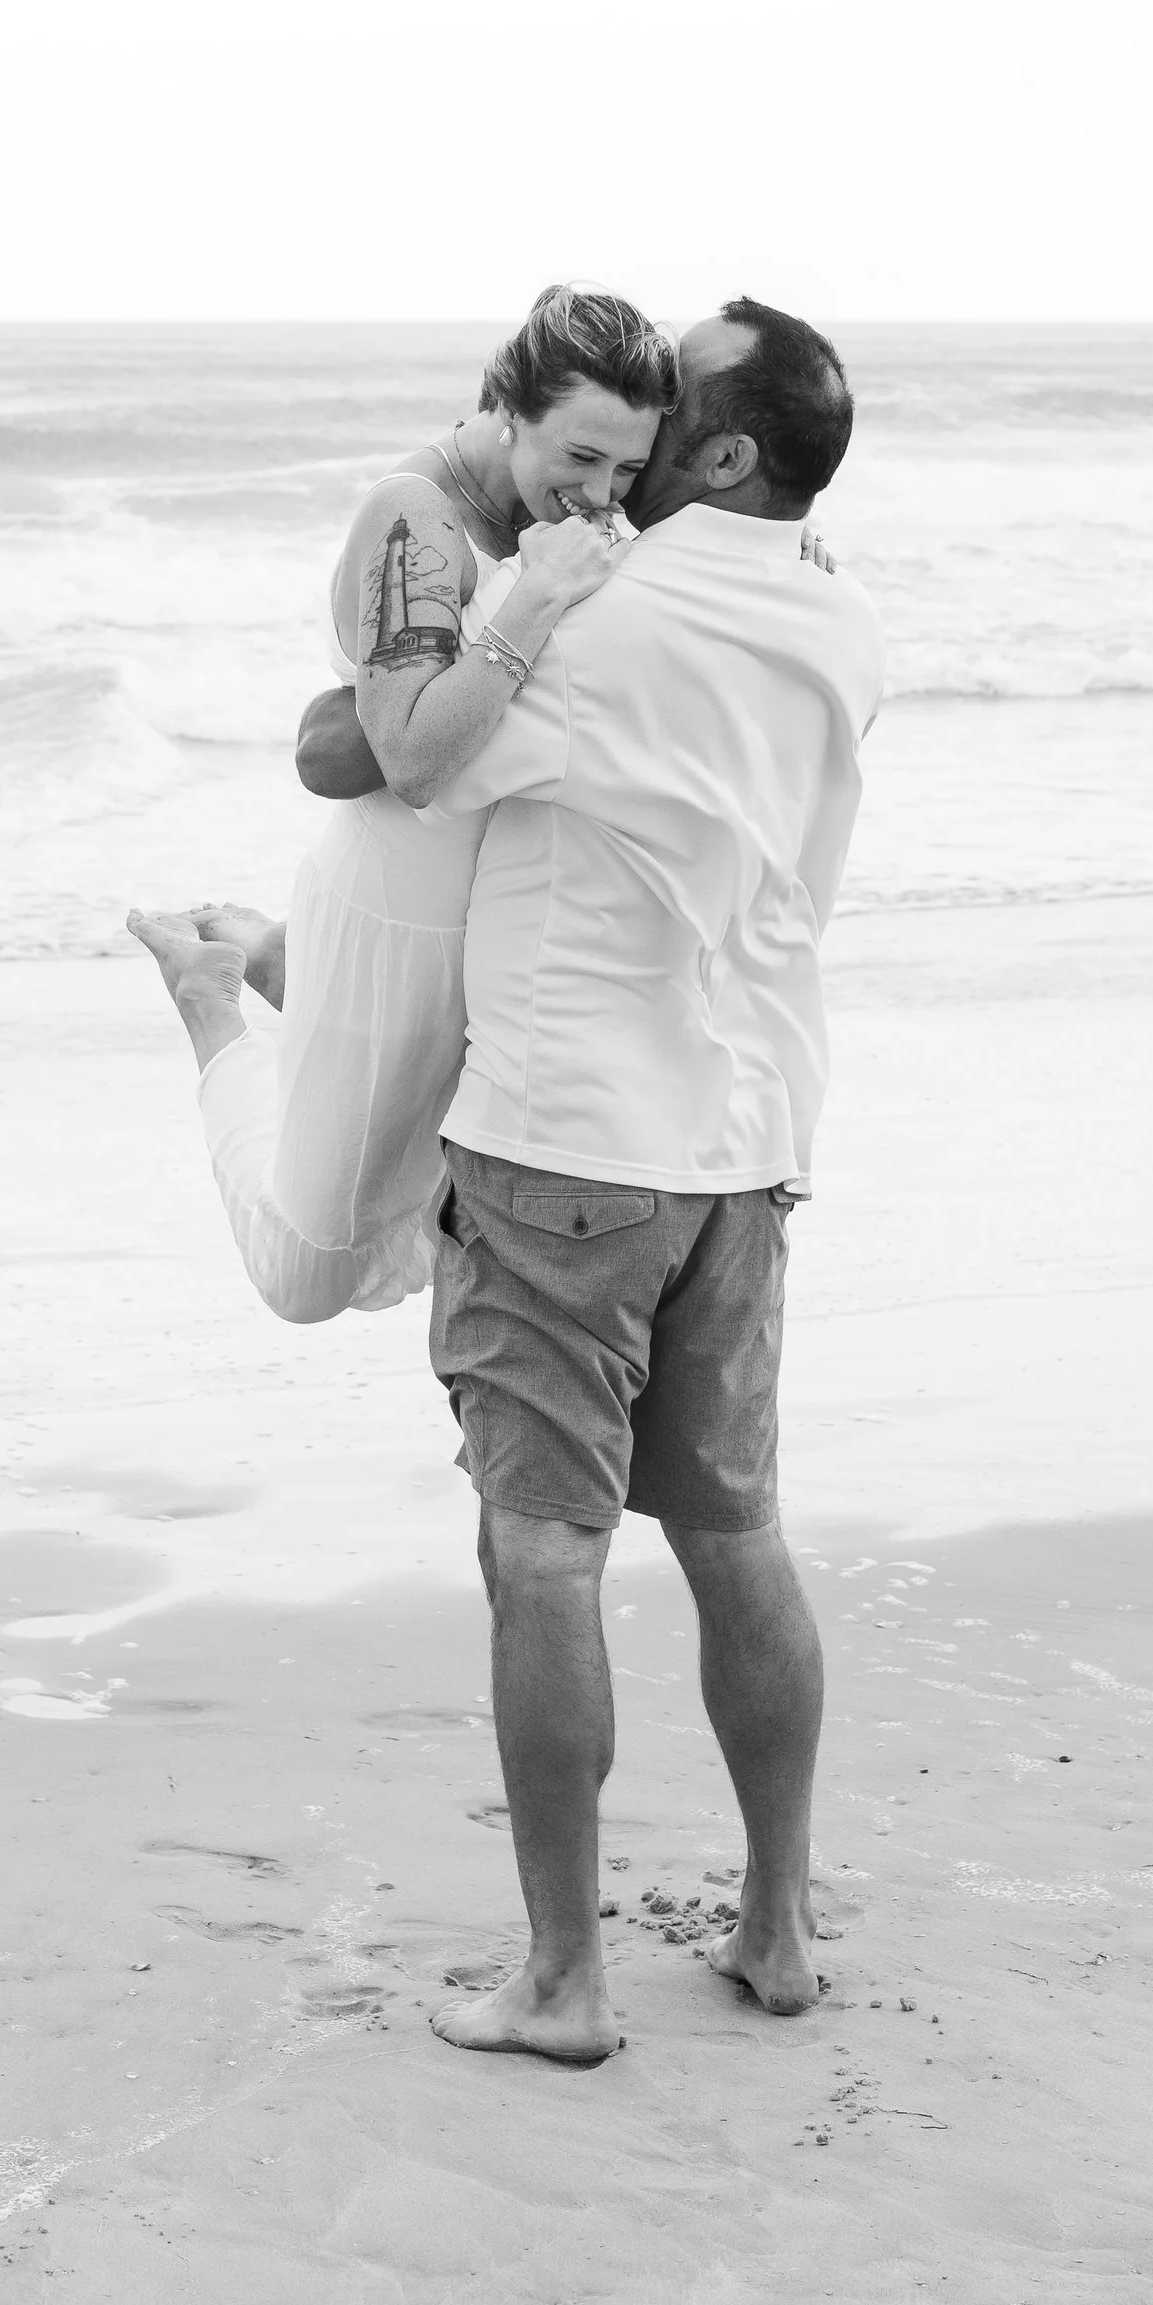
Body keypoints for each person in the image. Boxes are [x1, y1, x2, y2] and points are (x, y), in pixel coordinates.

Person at [414, 298, 885, 2065]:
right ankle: (776, 1927)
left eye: (676, 395)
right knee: (736, 1533)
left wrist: (496, 602)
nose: (645, 412)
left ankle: (563, 1979)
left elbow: (402, 751)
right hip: (745, 1144)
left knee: (540, 1553)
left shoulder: (603, 613)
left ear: (731, 451)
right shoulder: (844, 621)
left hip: (566, 1142)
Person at [126, 285, 674, 1324]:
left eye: (628, 469)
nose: (603, 493)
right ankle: (211, 1000)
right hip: (399, 917)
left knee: (448, 1208)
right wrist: (538, 595)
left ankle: (284, 964)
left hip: (508, 917)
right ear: (506, 409)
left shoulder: (557, 503)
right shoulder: (415, 519)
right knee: (311, 1272)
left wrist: (794, 553)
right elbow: (414, 759)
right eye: (581, 457)